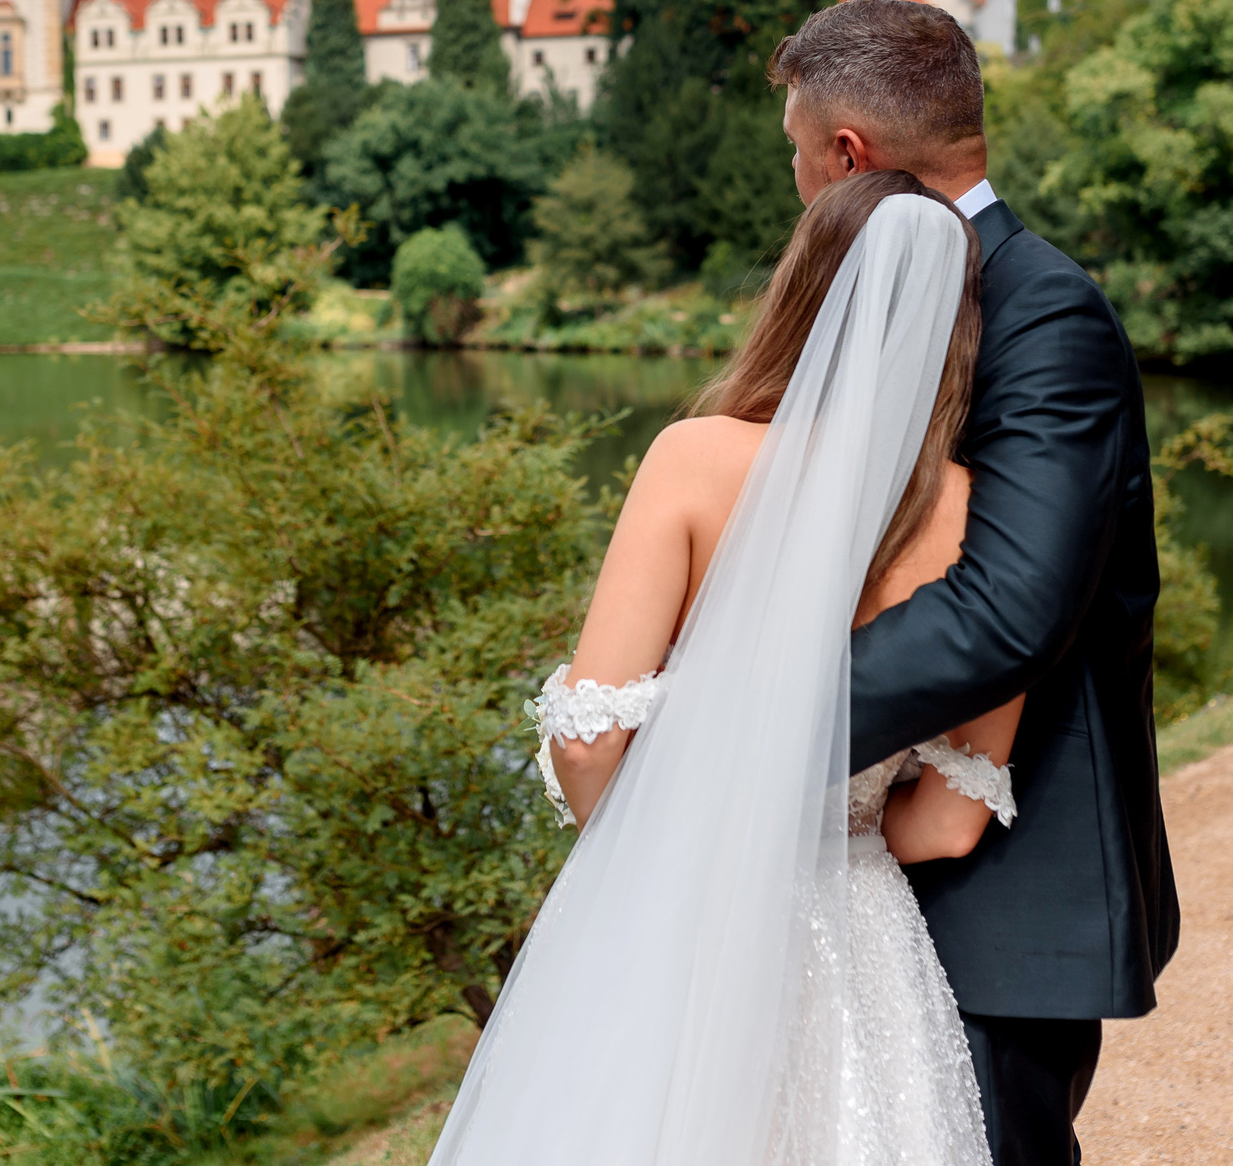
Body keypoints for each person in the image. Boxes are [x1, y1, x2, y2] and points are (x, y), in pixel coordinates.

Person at [430, 167, 1016, 1165]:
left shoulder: (692, 460)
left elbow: (588, 741)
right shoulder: (980, 518)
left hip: (672, 914)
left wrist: (664, 851)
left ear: (801, 290)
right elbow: (952, 820)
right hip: (859, 936)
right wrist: (852, 831)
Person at [783, 0, 1176, 1166]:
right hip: (880, 864)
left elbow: (1008, 605)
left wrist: (753, 721)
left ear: (848, 154)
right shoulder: (883, 302)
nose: (797, 182)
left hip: (1002, 884)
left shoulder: (1039, 309)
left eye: (798, 154)